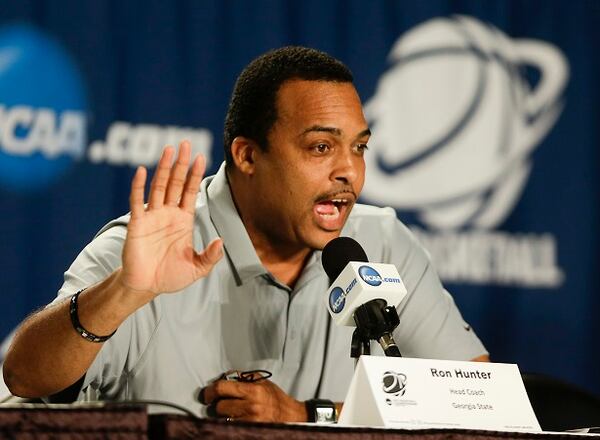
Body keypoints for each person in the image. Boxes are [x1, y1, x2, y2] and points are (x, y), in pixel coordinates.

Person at [2, 46, 488, 422]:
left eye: (359, 148)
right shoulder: (151, 248)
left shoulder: (380, 241)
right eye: (321, 147)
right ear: (248, 156)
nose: (350, 173)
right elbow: (24, 379)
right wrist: (124, 291)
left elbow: (477, 399)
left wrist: (307, 416)